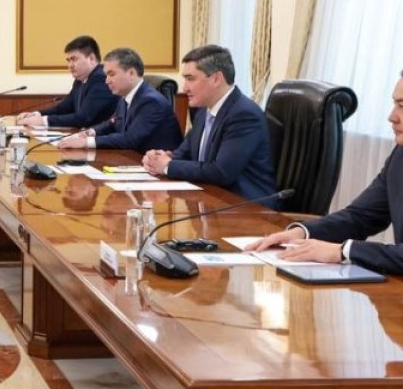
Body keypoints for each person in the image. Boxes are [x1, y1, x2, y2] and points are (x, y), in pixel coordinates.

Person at [247, 72, 403, 274]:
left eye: (402, 106)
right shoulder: (399, 156)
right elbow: (360, 217)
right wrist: (302, 233)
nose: (392, 116)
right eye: (395, 104)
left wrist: (342, 251)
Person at [142, 45, 278, 206]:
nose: (184, 88)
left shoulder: (244, 114)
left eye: (191, 79)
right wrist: (159, 158)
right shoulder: (203, 111)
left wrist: (168, 166)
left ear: (216, 79)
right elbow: (184, 153)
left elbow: (221, 172)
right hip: (212, 200)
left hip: (247, 207)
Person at [56, 47, 183, 153]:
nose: (107, 81)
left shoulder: (151, 102)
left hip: (159, 169)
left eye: (111, 74)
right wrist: (90, 132)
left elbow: (130, 139)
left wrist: (86, 142)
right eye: (106, 75)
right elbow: (112, 123)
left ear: (131, 73)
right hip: (134, 159)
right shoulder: (125, 96)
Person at [17, 35, 113, 128]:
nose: (70, 65)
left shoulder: (101, 79)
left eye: (74, 59)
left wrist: (43, 121)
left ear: (91, 59)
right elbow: (63, 109)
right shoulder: (80, 81)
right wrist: (37, 114)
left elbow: (83, 118)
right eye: (68, 60)